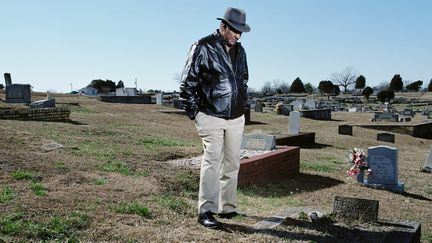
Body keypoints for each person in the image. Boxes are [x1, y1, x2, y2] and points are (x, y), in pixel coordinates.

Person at [179, 7, 251, 229]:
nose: (238, 35)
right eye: (235, 31)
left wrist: (242, 104)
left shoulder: (241, 52)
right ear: (223, 26)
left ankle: (228, 208)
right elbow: (187, 83)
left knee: (232, 163)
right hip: (210, 115)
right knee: (212, 161)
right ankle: (206, 210)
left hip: (236, 117)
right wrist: (196, 114)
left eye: (241, 32)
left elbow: (243, 81)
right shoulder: (202, 46)